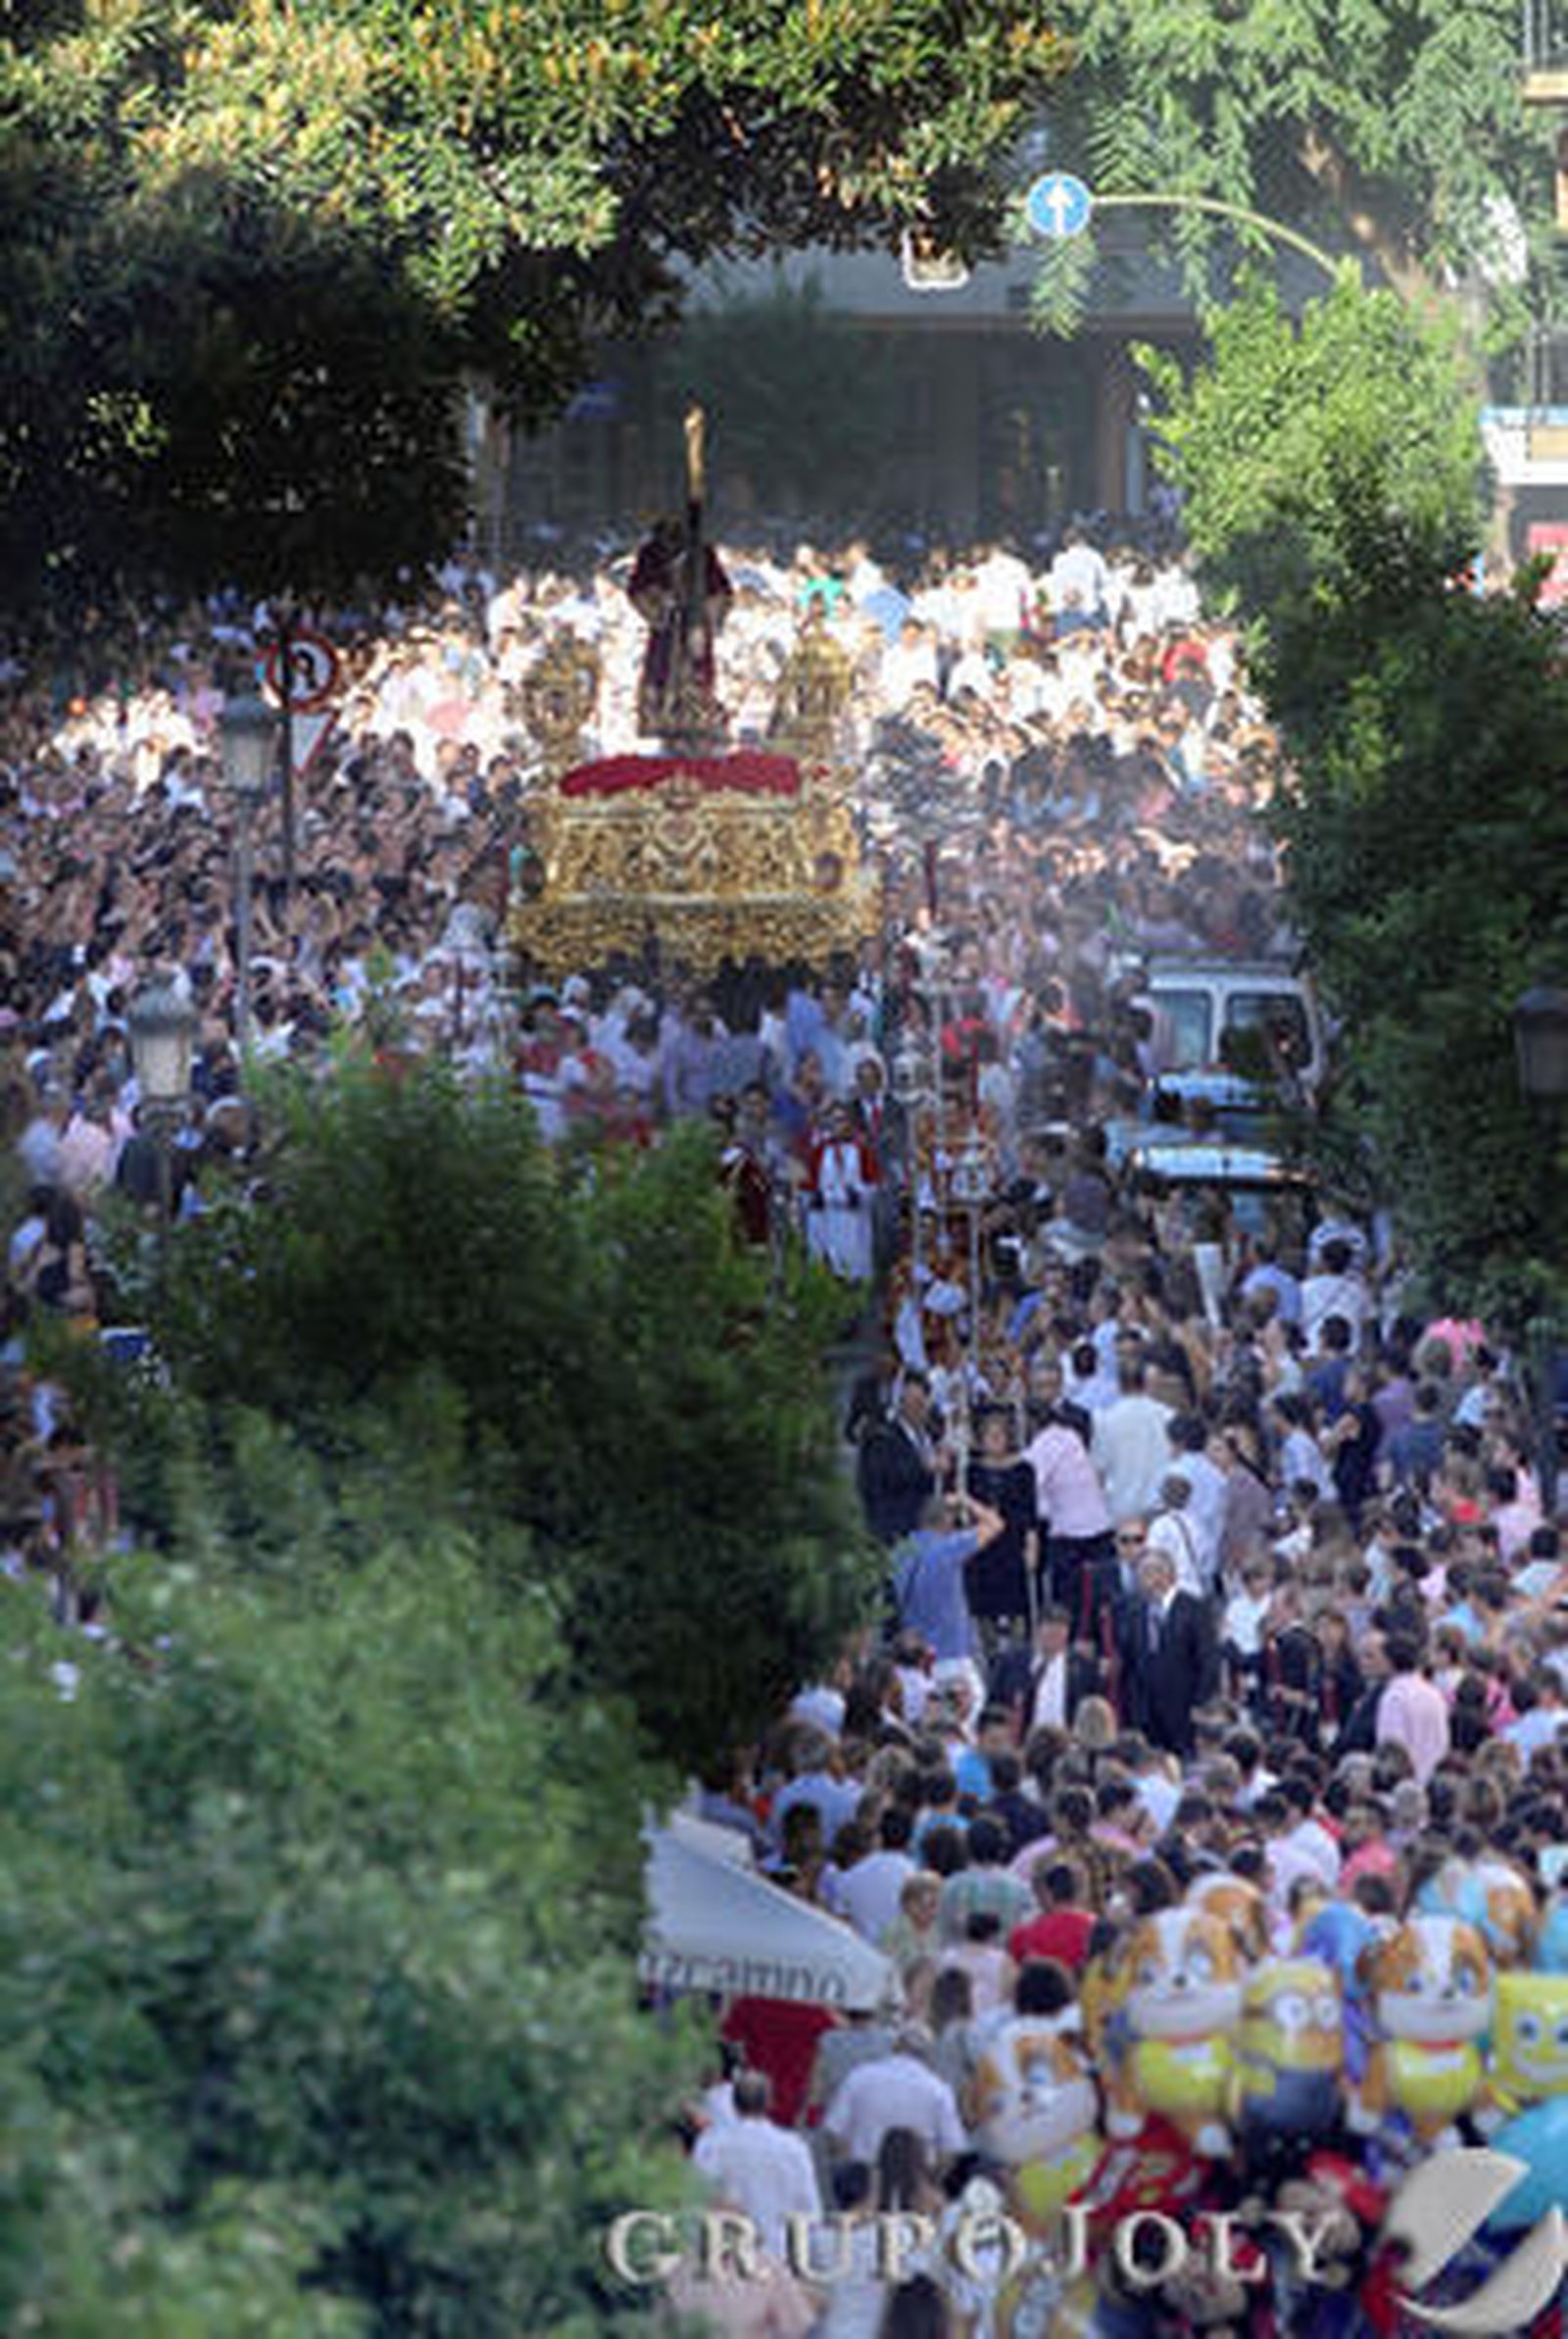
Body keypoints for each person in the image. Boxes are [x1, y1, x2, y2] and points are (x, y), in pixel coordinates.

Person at [691, 2069, 822, 2262]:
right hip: (778, 2255)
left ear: (734, 2104)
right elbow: (810, 2211)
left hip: (726, 2256)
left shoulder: (711, 2146)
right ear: (769, 2103)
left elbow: (696, 2200)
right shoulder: (794, 2148)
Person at [1120, 1548, 1217, 1757]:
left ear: (1167, 1575)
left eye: (1148, 1572)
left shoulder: (1193, 1609)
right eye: (1141, 1572)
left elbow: (1208, 1661)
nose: (1142, 1579)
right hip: (1146, 1713)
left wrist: (1200, 1703)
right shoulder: (1134, 1612)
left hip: (1183, 1710)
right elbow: (1130, 1663)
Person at [890, 1492, 1004, 1667]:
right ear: (946, 1521)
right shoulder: (949, 1547)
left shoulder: (900, 1552)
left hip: (916, 1656)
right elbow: (995, 1524)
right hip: (951, 1653)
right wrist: (965, 1500)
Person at [858, 1371, 943, 1546]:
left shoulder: (932, 1436)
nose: (917, 1406)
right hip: (896, 1530)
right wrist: (923, 1467)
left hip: (929, 1528)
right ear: (900, 1403)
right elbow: (880, 1481)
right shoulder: (882, 1437)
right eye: (911, 1400)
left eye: (921, 1400)